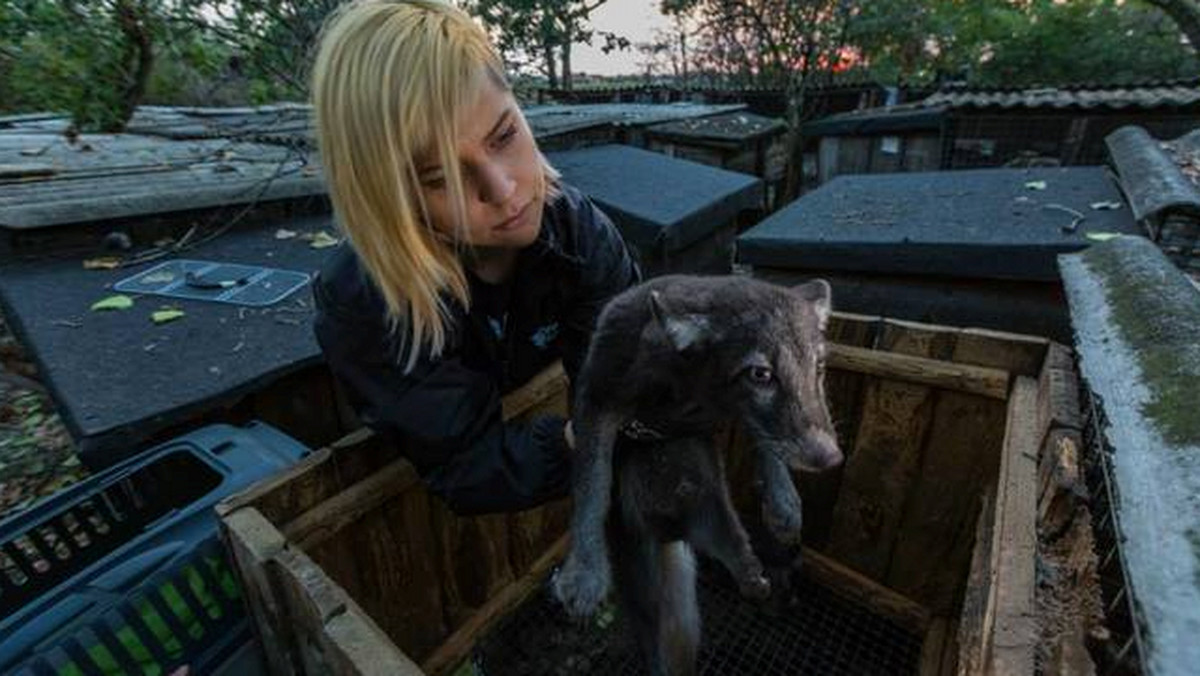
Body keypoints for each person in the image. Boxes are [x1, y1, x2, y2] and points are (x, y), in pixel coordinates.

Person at [309, 0, 640, 515]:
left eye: (505, 136)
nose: (504, 190)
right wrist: (583, 444)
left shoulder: (580, 235)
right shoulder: (363, 302)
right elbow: (461, 461)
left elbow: (613, 375)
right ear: (387, 195)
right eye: (440, 177)